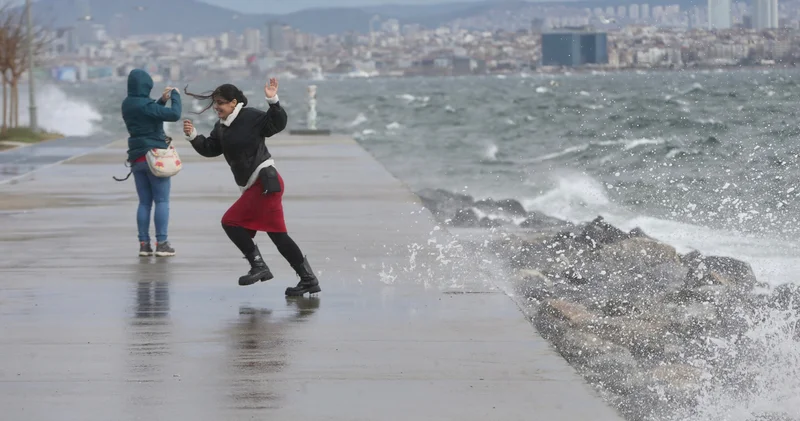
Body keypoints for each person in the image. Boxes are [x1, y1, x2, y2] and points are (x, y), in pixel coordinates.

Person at [182, 78, 321, 297]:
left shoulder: (251, 117)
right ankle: (308, 280)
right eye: (215, 103)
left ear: (233, 102)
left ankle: (259, 266)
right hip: (256, 186)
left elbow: (278, 123)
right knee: (279, 236)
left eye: (220, 102)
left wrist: (272, 100)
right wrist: (193, 137)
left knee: (230, 221)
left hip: (264, 182)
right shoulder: (221, 127)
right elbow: (211, 149)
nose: (216, 106)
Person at [121, 68, 182, 257]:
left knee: (144, 203)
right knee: (162, 200)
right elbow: (174, 115)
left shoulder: (128, 104)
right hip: (155, 157)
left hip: (136, 158)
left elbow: (149, 114)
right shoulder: (145, 105)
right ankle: (162, 243)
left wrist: (161, 101)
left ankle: (144, 244)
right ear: (147, 86)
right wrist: (175, 97)